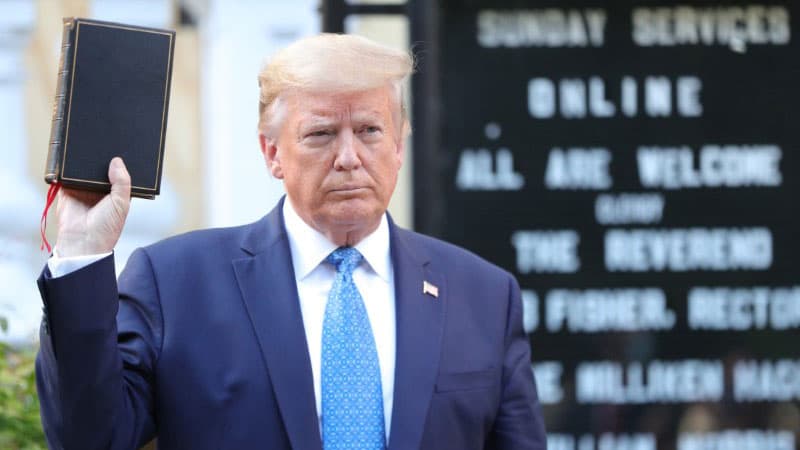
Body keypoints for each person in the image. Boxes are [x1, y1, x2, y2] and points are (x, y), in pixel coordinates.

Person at [36, 33, 547, 450]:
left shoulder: (483, 295)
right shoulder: (175, 282)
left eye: (369, 130)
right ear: (272, 153)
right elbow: (89, 438)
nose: (349, 157)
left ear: (398, 144)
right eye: (321, 134)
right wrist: (82, 251)